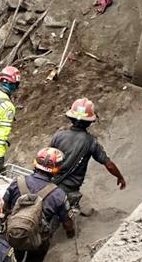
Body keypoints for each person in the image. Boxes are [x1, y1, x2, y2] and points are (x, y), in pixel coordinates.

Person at [49, 98, 126, 234]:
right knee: (65, 217)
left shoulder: (58, 135)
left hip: (49, 182)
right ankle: (70, 233)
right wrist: (120, 177)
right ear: (90, 122)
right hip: (69, 188)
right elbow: (109, 165)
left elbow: (47, 157)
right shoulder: (91, 142)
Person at [2, 147, 72, 262]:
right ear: (57, 169)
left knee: (13, 260)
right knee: (34, 261)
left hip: (15, 233)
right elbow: (67, 222)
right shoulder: (59, 194)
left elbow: (5, 207)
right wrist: (71, 233)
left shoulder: (17, 182)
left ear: (35, 163)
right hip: (39, 240)